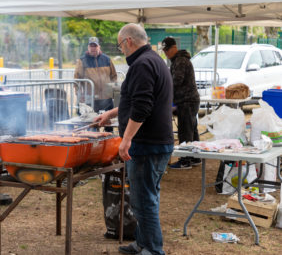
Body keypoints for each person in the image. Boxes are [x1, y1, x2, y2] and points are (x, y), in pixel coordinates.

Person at [95, 24, 174, 255]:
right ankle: (141, 242)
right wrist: (110, 113)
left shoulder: (142, 64)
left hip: (147, 144)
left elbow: (142, 107)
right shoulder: (153, 60)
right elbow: (135, 100)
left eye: (120, 45)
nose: (121, 51)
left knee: (143, 200)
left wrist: (126, 139)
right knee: (147, 196)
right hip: (156, 142)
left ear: (128, 41)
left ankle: (152, 248)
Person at [161, 37, 201, 169]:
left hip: (186, 100)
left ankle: (185, 160)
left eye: (167, 50)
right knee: (192, 129)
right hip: (189, 100)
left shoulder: (180, 61)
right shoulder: (179, 60)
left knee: (185, 131)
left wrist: (165, 93)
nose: (166, 53)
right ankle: (195, 157)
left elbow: (176, 82)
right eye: (164, 51)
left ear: (174, 48)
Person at [74, 36, 117, 114]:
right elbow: (77, 80)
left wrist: (113, 92)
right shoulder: (82, 61)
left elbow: (114, 76)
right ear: (88, 47)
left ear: (99, 47)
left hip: (107, 98)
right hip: (90, 99)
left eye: (95, 46)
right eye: (91, 46)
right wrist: (79, 94)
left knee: (109, 123)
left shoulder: (107, 59)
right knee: (92, 124)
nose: (93, 48)